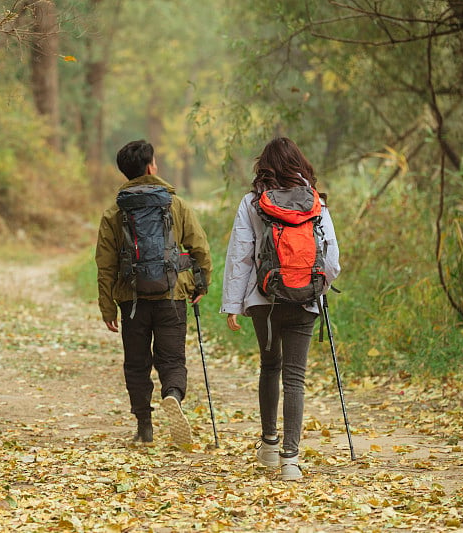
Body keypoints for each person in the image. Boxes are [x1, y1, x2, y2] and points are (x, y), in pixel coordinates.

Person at [220, 137, 341, 480]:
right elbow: (331, 258)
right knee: (295, 377)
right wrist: (319, 286)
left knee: (269, 366)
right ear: (299, 164)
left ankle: (269, 445)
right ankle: (291, 460)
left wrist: (233, 304)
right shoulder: (316, 202)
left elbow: (240, 255)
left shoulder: (252, 202)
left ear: (265, 166)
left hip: (264, 300)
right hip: (305, 299)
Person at [95, 139, 212, 445]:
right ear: (150, 167)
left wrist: (107, 307)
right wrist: (201, 284)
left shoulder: (114, 212)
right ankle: (172, 394)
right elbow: (199, 248)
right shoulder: (176, 204)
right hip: (171, 295)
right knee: (172, 359)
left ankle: (144, 426)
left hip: (130, 299)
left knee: (136, 362)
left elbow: (105, 264)